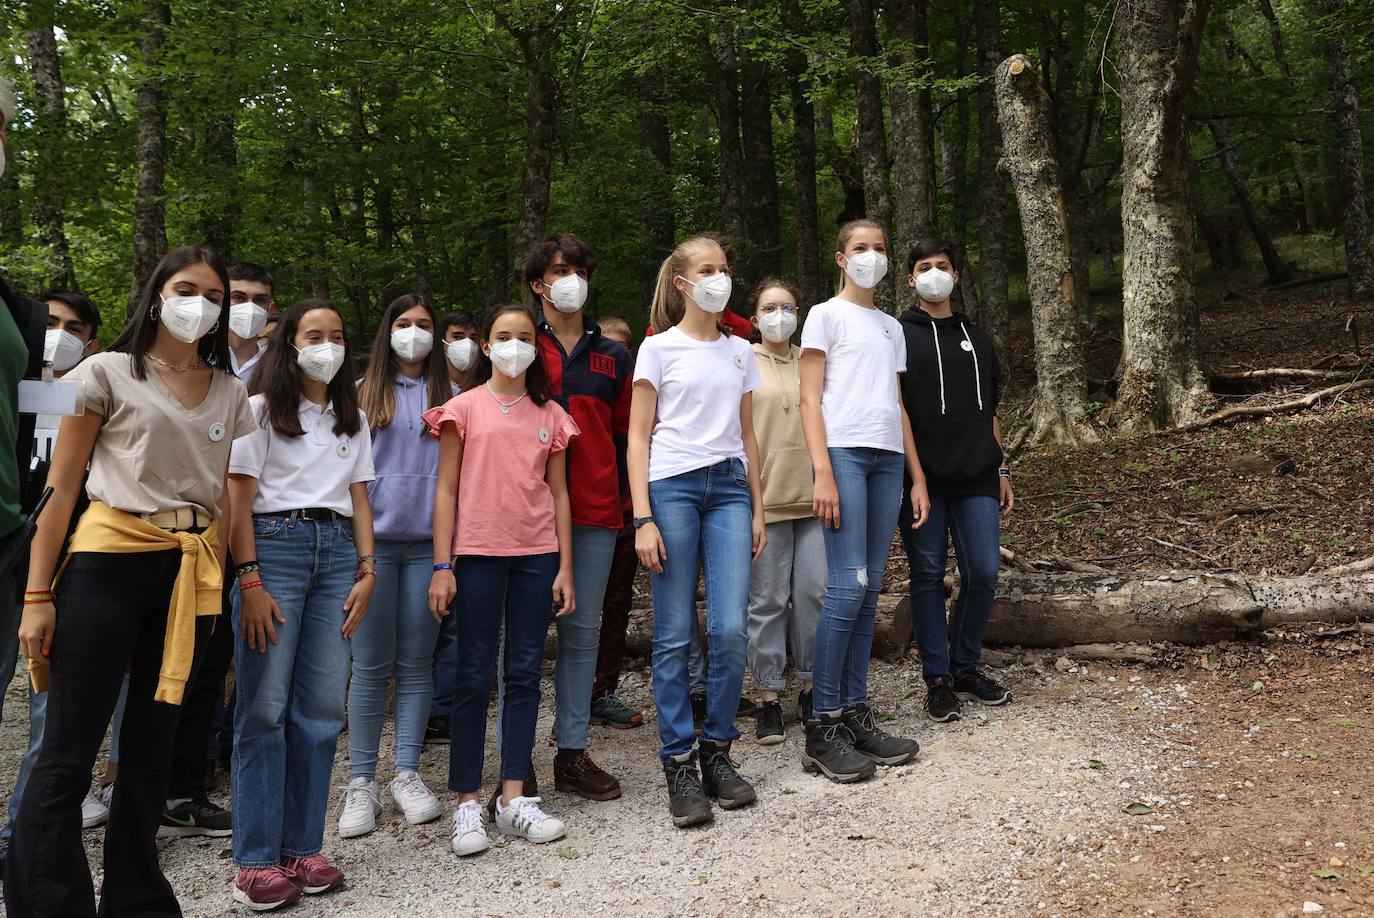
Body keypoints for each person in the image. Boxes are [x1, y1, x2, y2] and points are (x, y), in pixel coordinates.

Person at [7, 246, 255, 917]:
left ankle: (138, 899)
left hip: (191, 576)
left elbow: (232, 497)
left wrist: (244, 578)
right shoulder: (105, 371)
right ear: (155, 296)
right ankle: (47, 903)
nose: (198, 303)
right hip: (107, 563)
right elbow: (59, 491)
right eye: (185, 288)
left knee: (153, 750)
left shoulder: (231, 392)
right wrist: (36, 595)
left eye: (212, 294)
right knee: (68, 750)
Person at [226, 298, 376, 911]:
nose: (327, 346)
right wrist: (251, 579)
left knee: (320, 706)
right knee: (264, 706)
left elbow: (360, 498)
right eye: (314, 334)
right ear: (288, 343)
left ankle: (302, 847)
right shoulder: (259, 410)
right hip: (275, 550)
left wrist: (369, 570)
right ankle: (255, 860)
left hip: (339, 553)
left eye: (337, 336)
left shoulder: (352, 416)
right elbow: (238, 499)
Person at [425, 302, 578, 857]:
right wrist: (443, 565)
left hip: (536, 554)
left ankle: (513, 798)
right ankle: (467, 801)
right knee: (470, 673)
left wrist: (565, 565)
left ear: (535, 348)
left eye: (523, 337)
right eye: (502, 336)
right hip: (478, 554)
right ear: (486, 346)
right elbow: (445, 490)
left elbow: (559, 493)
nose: (514, 345)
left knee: (523, 672)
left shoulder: (552, 414)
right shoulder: (461, 409)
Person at [629, 235, 764, 829]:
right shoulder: (656, 349)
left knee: (731, 628)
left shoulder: (742, 352)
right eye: (707, 270)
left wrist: (758, 509)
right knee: (676, 630)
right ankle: (678, 762)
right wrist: (643, 518)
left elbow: (748, 435)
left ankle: (718, 751)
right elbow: (637, 437)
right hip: (673, 489)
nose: (720, 278)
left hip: (731, 489)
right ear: (682, 283)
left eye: (725, 269)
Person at [798, 219, 927, 784]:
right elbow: (808, 398)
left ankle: (854, 712)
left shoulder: (889, 327)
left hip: (887, 460)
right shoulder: (824, 315)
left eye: (879, 248)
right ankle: (821, 723)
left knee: (870, 586)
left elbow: (897, 404)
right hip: (844, 456)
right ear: (840, 257)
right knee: (846, 584)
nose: (870, 256)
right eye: (860, 248)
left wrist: (916, 476)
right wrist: (822, 471)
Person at [1, 290, 112, 859]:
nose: (60, 334)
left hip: (71, 562)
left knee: (52, 714)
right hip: (8, 553)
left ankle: (23, 836)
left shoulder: (95, 395)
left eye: (74, 327)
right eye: (49, 322)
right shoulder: (13, 388)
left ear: (90, 342)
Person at [338, 294, 452, 838]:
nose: (414, 334)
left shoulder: (452, 396)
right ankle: (361, 781)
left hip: (431, 548)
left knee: (417, 663)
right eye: (404, 325)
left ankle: (406, 772)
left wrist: (447, 558)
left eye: (424, 325)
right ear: (388, 332)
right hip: (374, 550)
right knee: (370, 665)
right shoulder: (360, 396)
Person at [524, 233, 632, 800]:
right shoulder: (517, 345)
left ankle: (571, 751)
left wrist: (632, 511)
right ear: (537, 283)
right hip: (520, 513)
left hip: (594, 510)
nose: (571, 279)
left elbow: (627, 436)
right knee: (518, 637)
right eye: (560, 270)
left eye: (580, 269)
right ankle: (515, 762)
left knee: (581, 633)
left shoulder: (614, 356)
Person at [897, 241, 1015, 722]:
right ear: (910, 279)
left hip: (978, 475)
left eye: (942, 267)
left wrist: (1003, 467)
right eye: (924, 268)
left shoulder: (977, 337)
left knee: (984, 572)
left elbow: (990, 409)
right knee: (927, 576)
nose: (934, 274)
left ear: (956, 276)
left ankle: (965, 667)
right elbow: (897, 407)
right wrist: (916, 477)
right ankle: (938, 678)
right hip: (921, 479)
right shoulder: (898, 335)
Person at [743, 278, 824, 744]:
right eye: (770, 308)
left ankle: (812, 687)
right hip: (766, 500)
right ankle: (769, 695)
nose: (779, 315)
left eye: (788, 307)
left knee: (814, 594)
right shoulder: (743, 362)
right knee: (769, 601)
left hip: (813, 497)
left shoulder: (812, 360)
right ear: (754, 318)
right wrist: (752, 505)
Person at [588, 315, 645, 729]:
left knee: (616, 602)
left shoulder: (640, 399)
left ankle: (603, 691)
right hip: (582, 511)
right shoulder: (585, 395)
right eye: (610, 346)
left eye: (624, 348)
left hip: (626, 509)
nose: (617, 354)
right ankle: (571, 701)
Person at [426, 310, 480, 744]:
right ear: (442, 342)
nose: (465, 344)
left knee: (455, 622)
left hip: (468, 519)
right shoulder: (429, 391)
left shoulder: (484, 391)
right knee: (420, 624)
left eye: (472, 337)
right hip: (410, 520)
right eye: (456, 336)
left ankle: (443, 709)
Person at [225, 262, 277, 383]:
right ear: (222, 301)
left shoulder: (278, 367)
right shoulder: (198, 358)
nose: (250, 307)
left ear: (271, 309)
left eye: (260, 300)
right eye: (239, 298)